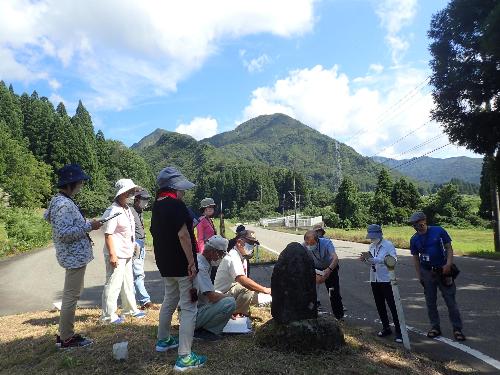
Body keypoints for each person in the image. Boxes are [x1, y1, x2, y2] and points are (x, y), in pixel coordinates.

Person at [151, 166, 206, 371]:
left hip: (165, 264)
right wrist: (192, 262)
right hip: (182, 265)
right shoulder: (177, 205)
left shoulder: (157, 205)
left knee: (169, 300)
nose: (183, 192)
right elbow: (184, 235)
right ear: (174, 187)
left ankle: (163, 340)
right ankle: (185, 356)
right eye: (181, 188)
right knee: (189, 307)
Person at [45, 164, 102, 348]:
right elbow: (63, 233)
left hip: (72, 256)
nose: (81, 185)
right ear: (71, 183)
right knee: (71, 296)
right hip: (73, 256)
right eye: (80, 182)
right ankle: (67, 337)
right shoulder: (63, 204)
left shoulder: (59, 201)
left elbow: (48, 217)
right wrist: (88, 226)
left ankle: (65, 334)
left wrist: (85, 222)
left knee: (73, 294)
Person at [409, 211, 465, 341]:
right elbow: (416, 258)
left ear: (424, 220)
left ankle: (457, 329)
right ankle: (435, 327)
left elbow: (449, 248)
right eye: (414, 224)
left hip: (444, 270)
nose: (416, 226)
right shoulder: (414, 239)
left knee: (450, 301)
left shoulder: (439, 231)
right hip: (427, 272)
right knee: (430, 302)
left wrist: (449, 265)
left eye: (417, 223)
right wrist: (419, 276)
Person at [101, 179, 146, 324]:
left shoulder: (126, 209)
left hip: (126, 252)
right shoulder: (113, 210)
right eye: (129, 192)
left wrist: (133, 246)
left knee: (128, 282)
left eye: (133, 192)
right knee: (113, 283)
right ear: (121, 194)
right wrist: (112, 255)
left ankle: (130, 309)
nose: (132, 195)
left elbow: (129, 231)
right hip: (117, 253)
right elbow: (108, 234)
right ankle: (108, 316)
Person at [359, 224, 402, 343]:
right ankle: (386, 327)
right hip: (374, 278)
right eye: (371, 236)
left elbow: (393, 261)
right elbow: (371, 262)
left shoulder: (388, 245)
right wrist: (366, 260)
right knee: (379, 304)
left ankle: (400, 331)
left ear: (380, 234)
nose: (372, 239)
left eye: (374, 236)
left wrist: (378, 260)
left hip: (387, 279)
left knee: (393, 306)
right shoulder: (371, 246)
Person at [214, 230, 271, 317]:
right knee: (247, 289)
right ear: (239, 243)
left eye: (253, 244)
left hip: (233, 292)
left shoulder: (242, 258)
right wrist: (264, 289)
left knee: (268, 298)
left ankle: (238, 310)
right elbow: (243, 280)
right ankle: (232, 314)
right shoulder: (233, 256)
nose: (252, 247)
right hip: (222, 295)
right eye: (250, 243)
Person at [194, 235, 236, 340]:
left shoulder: (203, 262)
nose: (221, 258)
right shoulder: (201, 267)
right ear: (213, 252)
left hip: (195, 309)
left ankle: (203, 328)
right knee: (230, 302)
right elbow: (212, 296)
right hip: (192, 315)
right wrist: (226, 299)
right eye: (221, 254)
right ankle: (204, 332)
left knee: (224, 299)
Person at [303, 230, 344, 320]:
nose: (309, 246)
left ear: (318, 240)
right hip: (316, 269)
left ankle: (339, 316)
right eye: (307, 244)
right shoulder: (304, 245)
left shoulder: (327, 243)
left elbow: (335, 259)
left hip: (330, 268)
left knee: (332, 292)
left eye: (312, 243)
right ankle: (311, 313)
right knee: (311, 291)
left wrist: (328, 270)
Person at [130, 188, 155, 310]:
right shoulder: (130, 211)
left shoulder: (139, 211)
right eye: (143, 199)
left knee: (136, 273)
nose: (146, 202)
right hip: (135, 244)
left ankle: (136, 301)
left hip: (140, 243)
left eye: (147, 199)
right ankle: (145, 301)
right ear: (136, 200)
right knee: (138, 273)